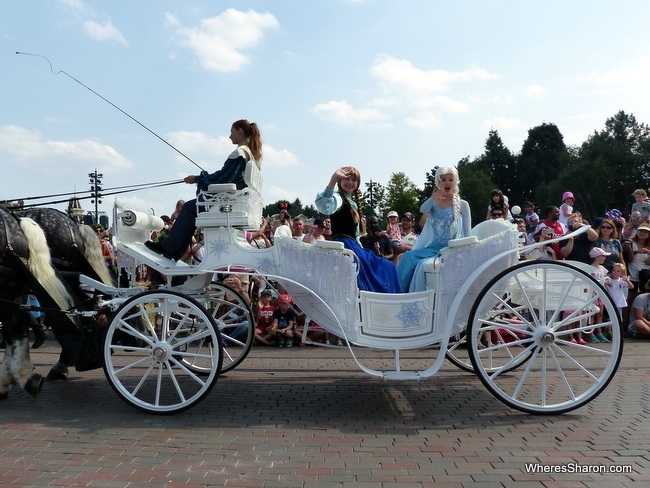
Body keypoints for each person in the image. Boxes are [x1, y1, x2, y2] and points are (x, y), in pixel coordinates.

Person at [145, 119, 263, 260]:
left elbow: (222, 178)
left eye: (231, 132)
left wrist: (197, 178)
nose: (229, 136)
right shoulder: (251, 155)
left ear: (240, 131)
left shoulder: (240, 153)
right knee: (192, 209)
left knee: (189, 207)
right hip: (237, 202)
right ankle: (174, 250)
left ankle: (170, 248)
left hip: (227, 203)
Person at [315, 166, 401, 293]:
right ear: (340, 181)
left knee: (388, 266)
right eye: (347, 179)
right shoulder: (338, 198)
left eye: (354, 180)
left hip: (353, 245)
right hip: (344, 245)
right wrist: (333, 180)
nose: (350, 183)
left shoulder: (352, 203)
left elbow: (356, 234)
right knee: (386, 267)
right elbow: (324, 206)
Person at [397, 166, 471, 292]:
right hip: (433, 248)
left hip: (450, 249)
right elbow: (422, 209)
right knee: (407, 257)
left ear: (455, 182)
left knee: (408, 258)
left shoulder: (463, 205)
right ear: (438, 183)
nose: (447, 182)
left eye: (450, 179)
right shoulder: (434, 204)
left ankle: (397, 293)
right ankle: (397, 293)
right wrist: (432, 199)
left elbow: (467, 232)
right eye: (443, 180)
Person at [586, 247, 611, 343]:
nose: (604, 258)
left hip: (600, 293)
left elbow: (606, 278)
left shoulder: (602, 269)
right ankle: (590, 333)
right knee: (592, 314)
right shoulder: (590, 268)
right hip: (593, 294)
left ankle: (599, 332)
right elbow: (592, 281)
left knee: (600, 313)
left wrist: (607, 280)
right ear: (597, 257)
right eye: (603, 256)